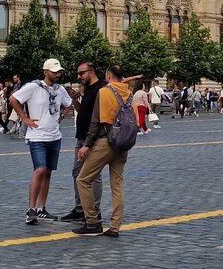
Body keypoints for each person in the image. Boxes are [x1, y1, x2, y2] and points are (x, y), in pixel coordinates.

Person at [75, 65, 135, 237]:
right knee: (117, 186)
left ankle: (92, 222)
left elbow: (95, 121)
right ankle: (115, 227)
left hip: (105, 142)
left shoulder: (104, 91)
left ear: (108, 75)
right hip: (123, 143)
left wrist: (86, 145)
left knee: (83, 180)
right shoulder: (129, 94)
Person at [12, 58, 73, 225]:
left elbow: (69, 103)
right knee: (40, 169)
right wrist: (24, 118)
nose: (57, 74)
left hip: (54, 136)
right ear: (45, 72)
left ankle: (41, 208)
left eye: (59, 72)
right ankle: (31, 209)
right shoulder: (33, 87)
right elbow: (14, 99)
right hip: (37, 136)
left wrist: (61, 116)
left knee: (48, 173)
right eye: (54, 72)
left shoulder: (60, 89)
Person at [60, 61, 104, 222]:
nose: (79, 77)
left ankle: (94, 211)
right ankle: (80, 209)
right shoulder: (87, 89)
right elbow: (83, 112)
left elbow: (99, 117)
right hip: (81, 137)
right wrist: (75, 101)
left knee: (94, 175)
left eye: (81, 73)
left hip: (93, 138)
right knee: (77, 173)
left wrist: (89, 141)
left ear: (91, 72)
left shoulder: (101, 89)